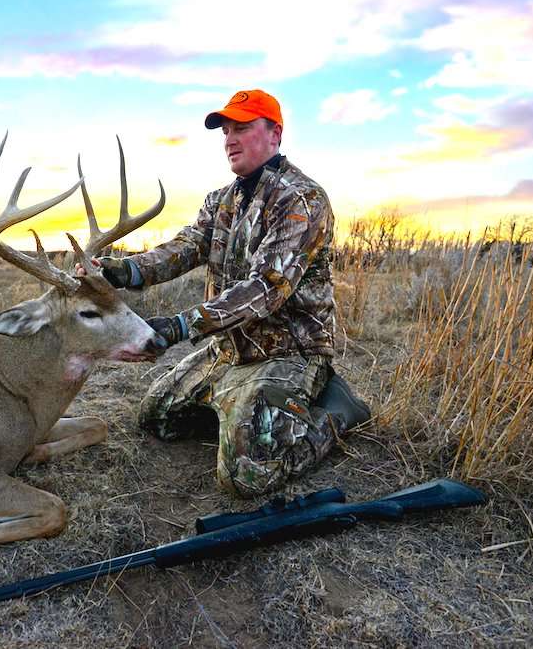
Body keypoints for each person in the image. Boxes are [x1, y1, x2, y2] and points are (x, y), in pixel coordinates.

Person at [90, 89, 363, 498]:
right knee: (157, 417)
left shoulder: (301, 199)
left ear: (275, 133)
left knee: (245, 476)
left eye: (243, 127)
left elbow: (264, 290)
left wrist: (182, 326)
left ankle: (337, 413)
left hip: (287, 354)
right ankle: (246, 415)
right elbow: (184, 248)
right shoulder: (222, 200)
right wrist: (123, 271)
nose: (230, 139)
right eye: (226, 131)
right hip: (229, 351)